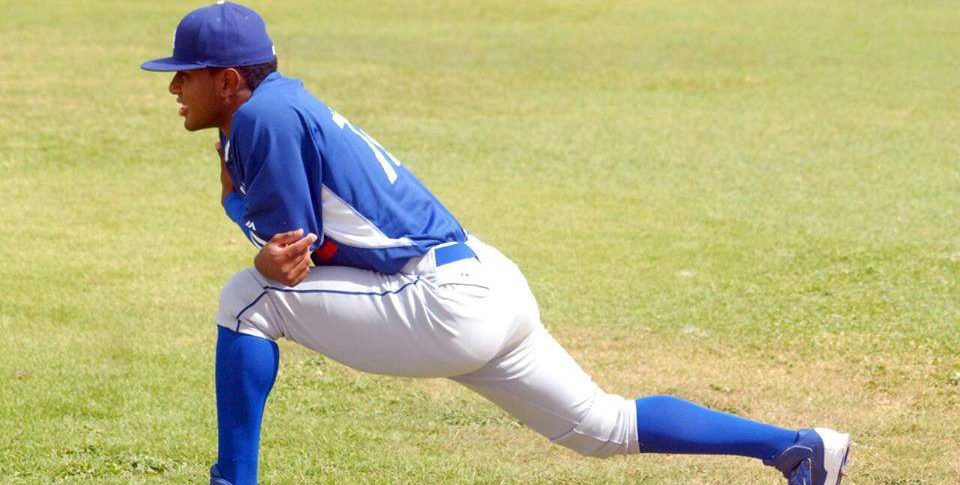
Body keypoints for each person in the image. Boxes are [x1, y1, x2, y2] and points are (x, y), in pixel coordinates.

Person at [141, 3, 851, 485]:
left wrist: (244, 215)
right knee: (604, 425)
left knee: (248, 297)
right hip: (484, 279)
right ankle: (797, 448)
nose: (173, 86)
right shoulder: (282, 98)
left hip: (436, 300)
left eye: (186, 74)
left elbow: (293, 258)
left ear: (229, 80)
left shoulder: (260, 117)